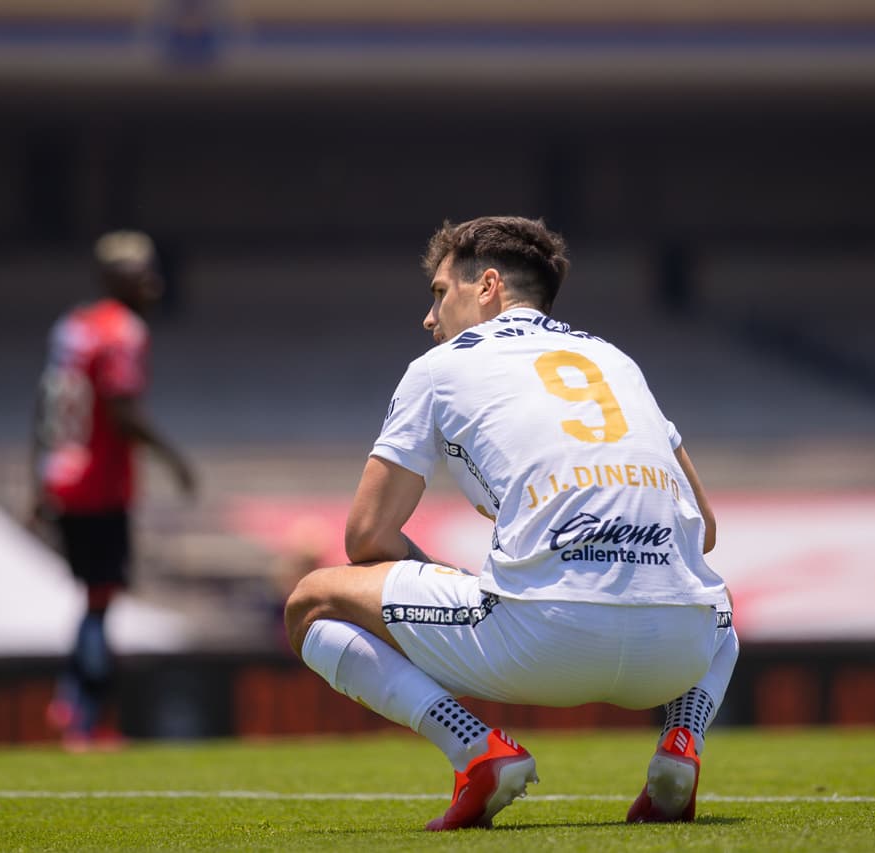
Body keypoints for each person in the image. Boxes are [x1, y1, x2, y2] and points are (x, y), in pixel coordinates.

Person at [284, 216, 738, 830]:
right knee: (715, 597)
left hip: (543, 639)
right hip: (677, 655)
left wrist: (451, 583)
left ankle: (477, 750)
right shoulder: (617, 360)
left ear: (488, 286)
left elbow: (365, 537)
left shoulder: (438, 367)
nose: (429, 318)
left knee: (312, 602)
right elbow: (703, 529)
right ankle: (681, 746)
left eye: (440, 293)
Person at [32, 229, 198, 750]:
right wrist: (174, 459)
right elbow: (122, 410)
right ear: (117, 278)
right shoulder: (123, 332)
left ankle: (76, 703)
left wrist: (37, 476)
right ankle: (79, 709)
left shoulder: (72, 327)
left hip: (62, 474)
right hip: (99, 483)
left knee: (94, 597)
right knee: (101, 599)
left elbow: (45, 405)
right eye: (141, 272)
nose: (152, 282)